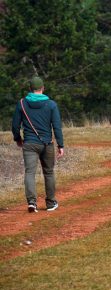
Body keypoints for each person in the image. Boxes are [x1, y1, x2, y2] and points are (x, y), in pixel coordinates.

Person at [11, 76, 64, 213]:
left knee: (29, 172)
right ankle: (51, 203)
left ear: (30, 89)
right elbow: (56, 127)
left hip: (29, 143)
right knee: (49, 172)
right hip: (47, 144)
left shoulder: (22, 103)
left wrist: (18, 139)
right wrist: (60, 145)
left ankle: (32, 203)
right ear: (43, 88)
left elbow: (15, 125)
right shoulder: (51, 104)